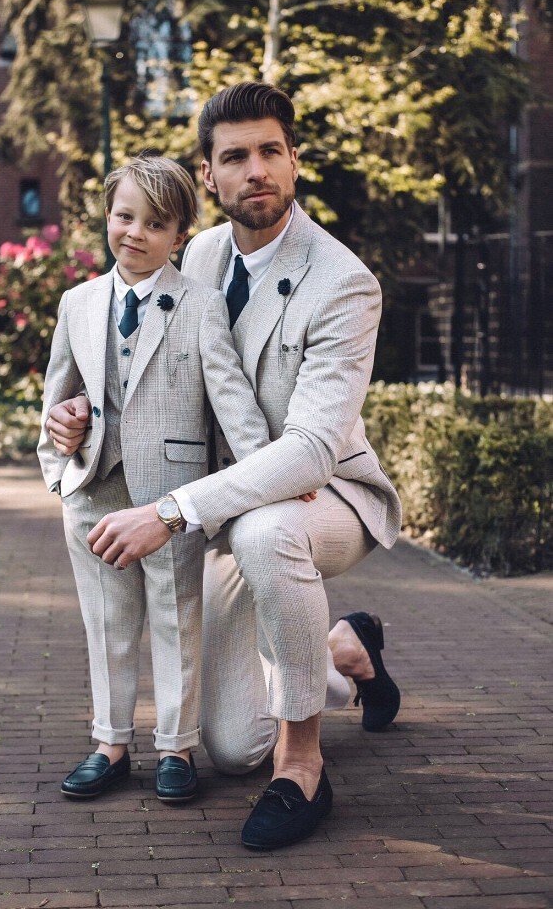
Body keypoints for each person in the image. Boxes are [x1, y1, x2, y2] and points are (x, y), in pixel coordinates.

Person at [45, 83, 402, 849]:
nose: (256, 170)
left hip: (322, 495)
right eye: (235, 156)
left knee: (270, 532)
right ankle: (346, 648)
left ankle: (302, 764)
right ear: (207, 177)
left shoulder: (342, 282)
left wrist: (171, 510)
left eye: (271, 150)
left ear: (295, 160)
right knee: (233, 747)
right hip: (224, 505)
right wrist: (76, 416)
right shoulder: (191, 254)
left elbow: (308, 450)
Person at [37, 152, 281, 804]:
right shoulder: (79, 303)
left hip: (169, 494)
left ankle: (175, 747)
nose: (135, 233)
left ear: (180, 235)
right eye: (125, 217)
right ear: (107, 218)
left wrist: (269, 472)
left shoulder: (199, 306)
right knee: (107, 622)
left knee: (176, 618)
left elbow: (231, 399)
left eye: (155, 223)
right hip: (92, 489)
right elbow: (57, 393)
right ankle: (110, 742)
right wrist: (59, 461)